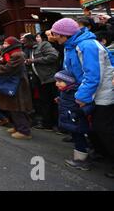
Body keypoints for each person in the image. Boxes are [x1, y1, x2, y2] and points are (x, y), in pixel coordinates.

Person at [51, 18, 114, 178]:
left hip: (102, 93)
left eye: (56, 34)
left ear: (65, 34)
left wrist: (81, 96)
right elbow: (72, 72)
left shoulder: (87, 45)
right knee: (93, 128)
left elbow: (93, 75)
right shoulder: (70, 46)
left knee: (103, 128)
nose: (54, 37)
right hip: (87, 93)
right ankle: (101, 154)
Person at [0, 37, 33, 140]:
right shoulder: (12, 53)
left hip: (18, 85)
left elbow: (9, 68)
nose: (4, 45)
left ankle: (24, 131)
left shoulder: (17, 55)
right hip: (14, 83)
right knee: (13, 108)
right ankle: (17, 127)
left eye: (6, 43)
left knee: (18, 108)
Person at [54, 70, 93, 171]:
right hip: (72, 120)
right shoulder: (65, 91)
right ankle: (82, 157)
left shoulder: (76, 92)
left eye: (60, 81)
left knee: (80, 139)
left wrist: (81, 112)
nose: (57, 83)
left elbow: (88, 104)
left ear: (69, 82)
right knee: (77, 138)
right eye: (56, 81)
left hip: (77, 120)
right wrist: (60, 99)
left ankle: (82, 161)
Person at [23, 33, 60, 131]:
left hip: (50, 78)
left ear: (31, 40)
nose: (24, 44)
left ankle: (58, 125)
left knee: (54, 102)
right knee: (44, 102)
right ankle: (47, 124)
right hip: (40, 80)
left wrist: (34, 60)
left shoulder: (44, 45)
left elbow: (53, 56)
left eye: (25, 42)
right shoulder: (29, 50)